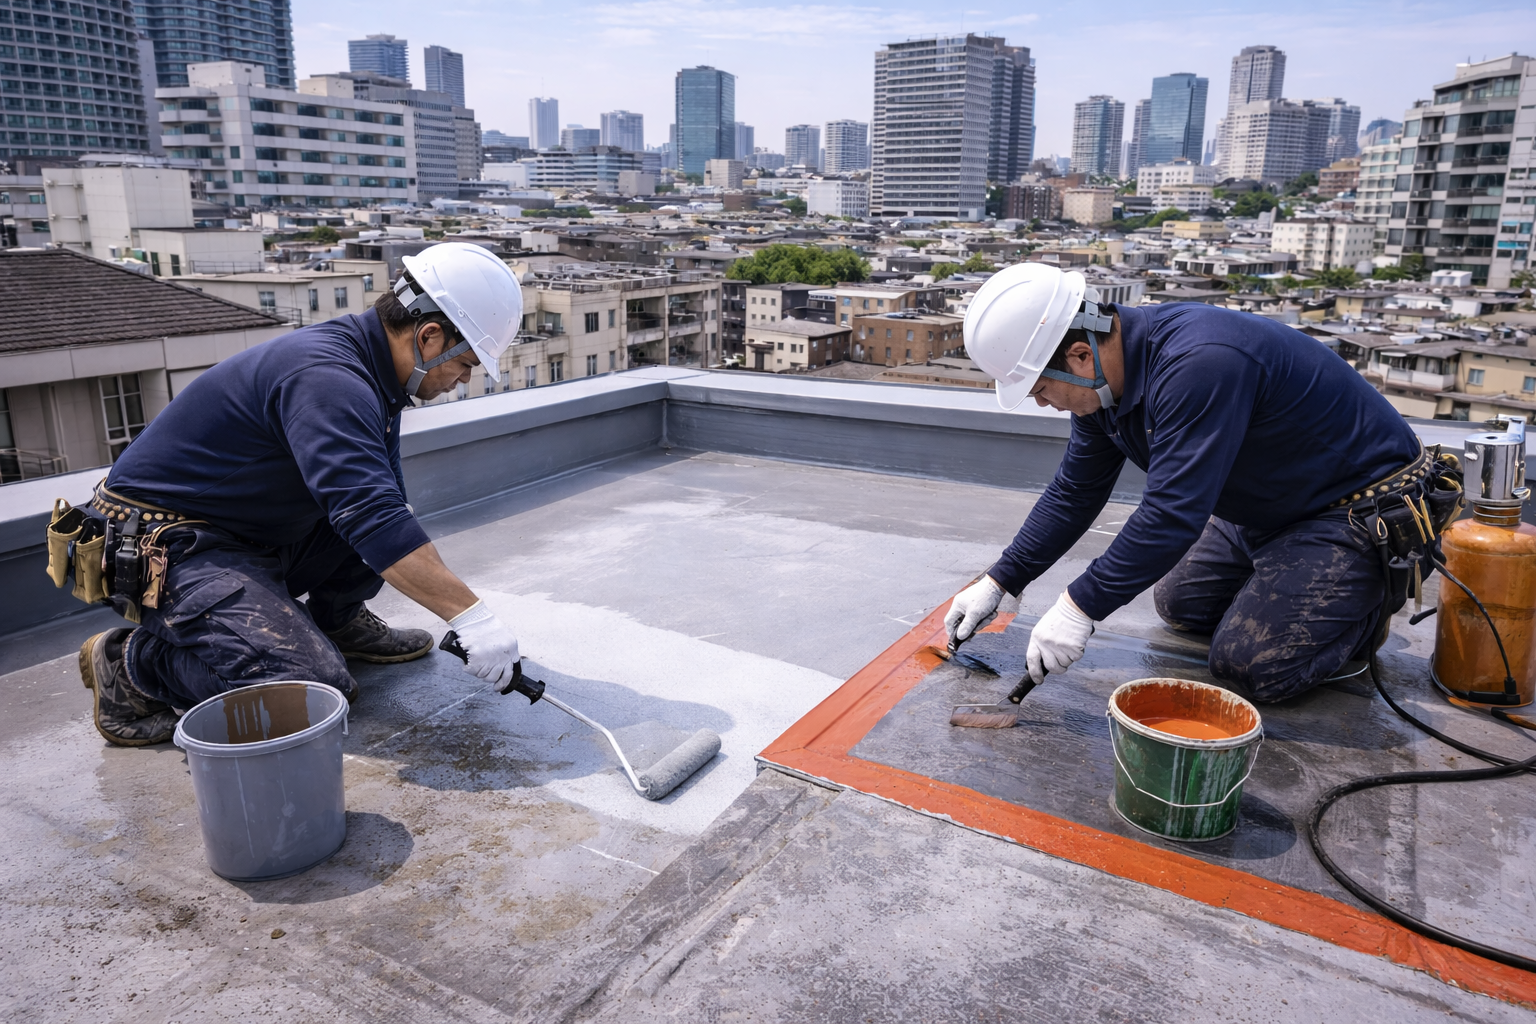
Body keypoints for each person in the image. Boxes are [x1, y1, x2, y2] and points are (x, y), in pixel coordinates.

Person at [74, 243, 526, 745]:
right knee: (311, 687)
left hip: (237, 532)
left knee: (384, 512)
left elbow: (383, 505)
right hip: (167, 545)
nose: (464, 378)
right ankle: (132, 667)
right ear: (429, 335)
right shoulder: (328, 378)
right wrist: (474, 620)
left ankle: (336, 623)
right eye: (464, 363)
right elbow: (373, 521)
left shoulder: (373, 374)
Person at [943, 262, 1434, 703]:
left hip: (1353, 509)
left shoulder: (1199, 361)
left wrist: (1078, 607)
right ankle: (1294, 577)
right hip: (1267, 506)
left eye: (1041, 389)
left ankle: (1364, 604)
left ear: (1079, 355)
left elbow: (1173, 513)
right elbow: (1075, 491)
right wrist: (1001, 580)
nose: (1043, 404)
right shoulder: (1102, 390)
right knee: (1181, 604)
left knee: (1252, 668)